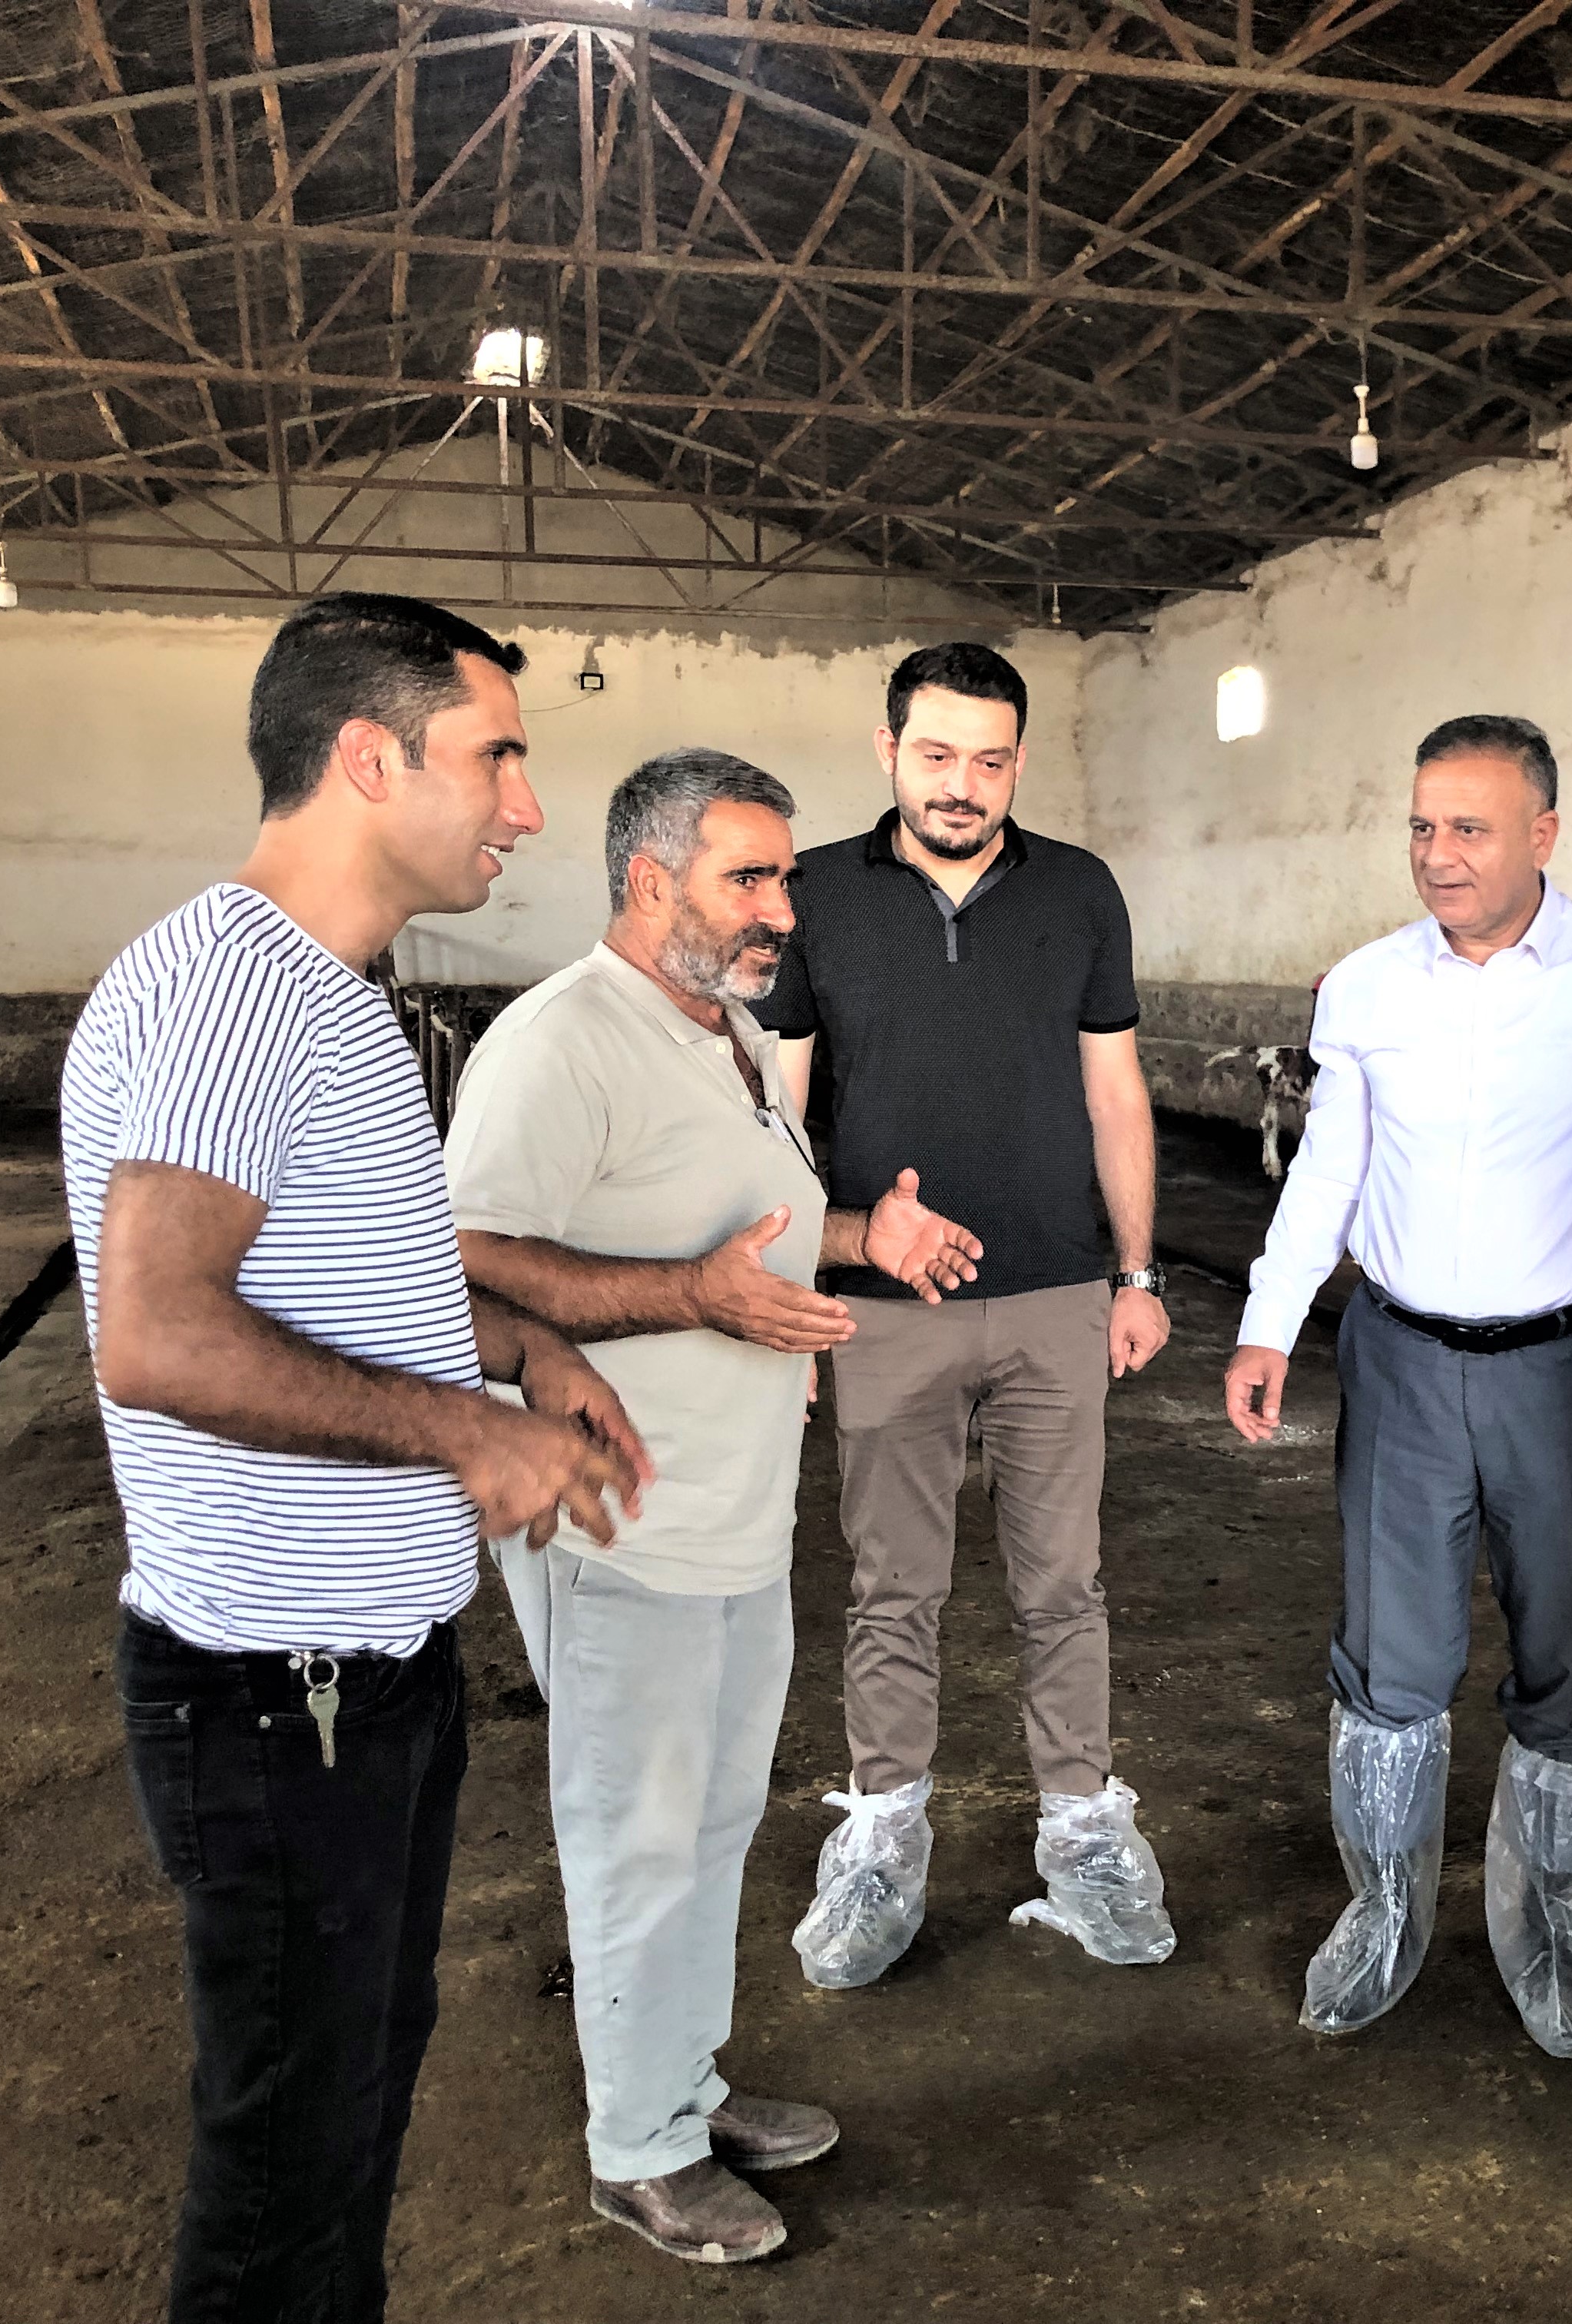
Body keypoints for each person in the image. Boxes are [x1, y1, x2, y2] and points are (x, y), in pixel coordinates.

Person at [63, 593, 647, 2323]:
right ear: (370, 760)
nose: (526, 808)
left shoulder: (327, 997)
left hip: (353, 1684)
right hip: (276, 1701)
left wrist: (523, 1350)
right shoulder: (237, 991)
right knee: (287, 2181)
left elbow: (359, 1285)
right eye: (498, 758)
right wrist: (466, 1430)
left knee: (351, 2108)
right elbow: (159, 1333)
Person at [444, 750, 983, 2265]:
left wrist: (866, 1237)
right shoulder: (563, 1042)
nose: (782, 910)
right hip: (622, 1520)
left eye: (786, 877)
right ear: (648, 879)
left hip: (736, 1514)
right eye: (748, 877)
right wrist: (690, 1298)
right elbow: (465, 1256)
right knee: (638, 1835)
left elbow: (746, 1238)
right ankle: (639, 2152)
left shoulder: (729, 1035)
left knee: (713, 1824)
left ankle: (681, 2087)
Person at [1224, 714, 1572, 2060]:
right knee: (1391, 1658)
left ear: (1544, 835)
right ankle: (1385, 1916)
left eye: (1468, 828)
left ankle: (1562, 1941)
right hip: (1401, 1359)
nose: (1437, 855)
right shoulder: (1368, 987)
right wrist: (1271, 1321)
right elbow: (1329, 1168)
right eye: (1421, 827)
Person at [760, 641, 1176, 1985]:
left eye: (989, 760)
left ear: (1018, 763)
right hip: (886, 1306)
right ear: (888, 751)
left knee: (1066, 1585)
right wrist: (795, 1291)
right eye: (936, 754)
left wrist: (1137, 1274)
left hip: (1057, 1293)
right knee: (892, 1587)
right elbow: (781, 1105)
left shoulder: (1079, 891)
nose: (962, 783)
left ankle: (1083, 1828)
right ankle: (883, 1834)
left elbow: (1115, 1092)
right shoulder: (816, 894)